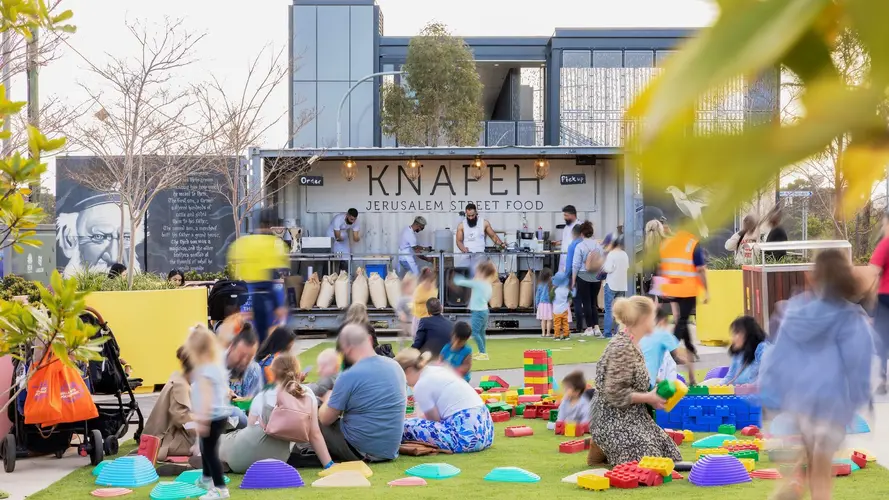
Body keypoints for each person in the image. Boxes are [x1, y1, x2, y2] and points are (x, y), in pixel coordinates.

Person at [759, 249, 873, 500]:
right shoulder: (851, 318)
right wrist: (857, 398)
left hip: (801, 402)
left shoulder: (795, 311)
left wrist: (770, 394)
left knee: (813, 456)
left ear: (814, 277)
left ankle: (794, 485)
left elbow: (777, 358)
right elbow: (859, 363)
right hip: (832, 404)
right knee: (822, 470)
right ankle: (799, 488)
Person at [588, 296, 682, 466]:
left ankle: (605, 448)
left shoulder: (634, 343)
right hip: (612, 417)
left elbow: (638, 377)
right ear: (643, 318)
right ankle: (600, 445)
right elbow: (615, 393)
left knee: (671, 455)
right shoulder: (622, 348)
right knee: (646, 461)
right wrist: (649, 398)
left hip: (635, 415)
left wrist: (659, 387)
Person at [218, 353, 334, 474]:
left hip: (242, 458)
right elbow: (314, 434)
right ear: (298, 371)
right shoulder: (308, 395)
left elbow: (250, 428)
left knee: (217, 440)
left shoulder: (263, 395)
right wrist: (328, 464)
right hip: (278, 460)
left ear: (272, 374)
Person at [319, 324, 407, 462]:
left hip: (359, 450)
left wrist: (326, 400)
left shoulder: (349, 375)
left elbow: (325, 419)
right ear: (370, 340)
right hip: (389, 450)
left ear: (346, 348)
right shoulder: (395, 366)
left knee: (314, 407)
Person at [396, 348, 494, 453]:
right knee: (414, 422)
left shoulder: (421, 385)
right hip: (486, 432)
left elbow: (433, 420)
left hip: (466, 439)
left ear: (408, 370)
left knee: (404, 425)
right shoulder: (437, 370)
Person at [227, 207, 289, 343]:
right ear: (270, 225)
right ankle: (264, 353)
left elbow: (232, 263)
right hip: (265, 291)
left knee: (248, 331)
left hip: (244, 291)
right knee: (268, 331)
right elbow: (282, 270)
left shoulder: (242, 243)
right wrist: (278, 306)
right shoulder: (275, 243)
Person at [182, 325, 230, 500]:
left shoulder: (203, 371)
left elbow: (207, 398)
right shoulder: (215, 367)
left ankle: (219, 490)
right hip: (219, 416)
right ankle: (206, 478)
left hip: (211, 417)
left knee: (210, 454)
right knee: (206, 449)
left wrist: (202, 421)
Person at [56, 193, 146, 277]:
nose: (114, 258)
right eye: (99, 237)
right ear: (68, 240)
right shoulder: (60, 292)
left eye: (126, 237)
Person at [659, 217, 709, 358]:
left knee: (683, 319)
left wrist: (663, 287)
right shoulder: (693, 244)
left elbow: (662, 266)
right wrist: (706, 290)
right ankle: (669, 353)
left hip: (672, 287)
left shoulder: (668, 243)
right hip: (687, 289)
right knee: (682, 321)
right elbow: (700, 269)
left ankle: (690, 348)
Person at [144, 346, 195, 461]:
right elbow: (181, 418)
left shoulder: (180, 380)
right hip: (167, 441)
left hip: (164, 437)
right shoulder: (181, 385)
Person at [702, 316, 769, 386]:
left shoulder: (762, 349)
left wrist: (751, 387)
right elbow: (730, 377)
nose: (732, 337)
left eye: (736, 333)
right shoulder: (738, 353)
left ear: (748, 334)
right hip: (738, 394)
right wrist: (718, 387)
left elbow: (768, 377)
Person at [639, 308, 696, 388]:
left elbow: (647, 372)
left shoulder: (641, 336)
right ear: (663, 321)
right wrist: (692, 379)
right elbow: (684, 358)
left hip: (638, 382)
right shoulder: (663, 334)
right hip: (647, 384)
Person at [454, 261, 496, 361]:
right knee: (481, 333)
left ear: (482, 272)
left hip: (478, 311)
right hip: (484, 311)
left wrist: (455, 277)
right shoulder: (487, 284)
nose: (476, 273)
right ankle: (483, 352)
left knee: (475, 332)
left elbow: (462, 282)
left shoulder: (479, 283)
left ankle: (483, 353)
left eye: (477, 271)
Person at [572, 221, 604, 337]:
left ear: (582, 234)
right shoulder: (598, 245)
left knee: (586, 302)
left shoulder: (580, 246)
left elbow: (575, 265)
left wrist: (573, 280)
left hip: (583, 276)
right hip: (596, 277)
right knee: (593, 303)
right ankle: (597, 327)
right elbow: (602, 261)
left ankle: (589, 327)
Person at [455, 203, 505, 272]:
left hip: (480, 256)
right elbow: (458, 241)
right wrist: (463, 249)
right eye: (468, 216)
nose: (470, 218)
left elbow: (494, 237)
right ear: (466, 214)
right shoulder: (461, 225)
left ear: (476, 212)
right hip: (467, 255)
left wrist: (502, 245)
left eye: (472, 215)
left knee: (480, 275)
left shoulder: (484, 223)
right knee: (461, 274)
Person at [871, 212, 889, 395]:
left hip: (886, 298)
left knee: (882, 338)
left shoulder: (885, 244)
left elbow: (873, 270)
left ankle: (883, 379)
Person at [602, 235, 629, 338]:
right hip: (622, 284)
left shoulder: (611, 254)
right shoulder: (625, 255)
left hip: (611, 284)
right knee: (620, 309)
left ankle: (608, 333)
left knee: (609, 309)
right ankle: (620, 331)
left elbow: (608, 269)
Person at [226, 326, 263, 400]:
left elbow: (257, 401)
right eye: (241, 355)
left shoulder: (254, 369)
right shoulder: (215, 364)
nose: (244, 362)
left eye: (249, 357)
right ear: (231, 347)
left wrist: (243, 400)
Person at [565, 224, 584, 332]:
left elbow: (569, 264)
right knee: (588, 301)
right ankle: (591, 326)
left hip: (575, 276)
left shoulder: (573, 245)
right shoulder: (586, 244)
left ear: (573, 234)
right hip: (588, 276)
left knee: (577, 300)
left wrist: (566, 277)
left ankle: (579, 327)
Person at [412, 268, 438, 336]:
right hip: (419, 318)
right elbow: (417, 299)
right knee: (418, 338)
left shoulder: (433, 288)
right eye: (428, 281)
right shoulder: (419, 289)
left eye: (431, 281)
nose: (430, 283)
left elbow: (434, 299)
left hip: (429, 317)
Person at [557, 205, 579, 272]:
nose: (564, 218)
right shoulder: (567, 226)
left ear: (573, 215)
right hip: (564, 257)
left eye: (566, 215)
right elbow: (567, 240)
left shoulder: (579, 226)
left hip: (573, 258)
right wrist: (560, 242)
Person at [396, 275, 416, 347]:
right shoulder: (402, 298)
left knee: (414, 336)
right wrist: (400, 314)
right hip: (403, 323)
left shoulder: (414, 297)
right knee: (402, 338)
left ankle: (416, 348)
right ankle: (401, 350)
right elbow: (398, 308)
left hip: (412, 322)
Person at [552, 271, 572, 341]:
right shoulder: (567, 289)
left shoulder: (554, 290)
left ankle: (557, 336)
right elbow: (570, 297)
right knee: (565, 323)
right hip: (564, 309)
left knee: (557, 323)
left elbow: (551, 297)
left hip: (556, 309)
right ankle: (566, 335)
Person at [535, 268, 554, 338]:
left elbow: (537, 295)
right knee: (549, 319)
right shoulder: (551, 284)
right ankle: (548, 333)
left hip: (541, 304)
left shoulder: (540, 285)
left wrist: (537, 304)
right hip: (549, 304)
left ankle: (543, 333)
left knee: (543, 320)